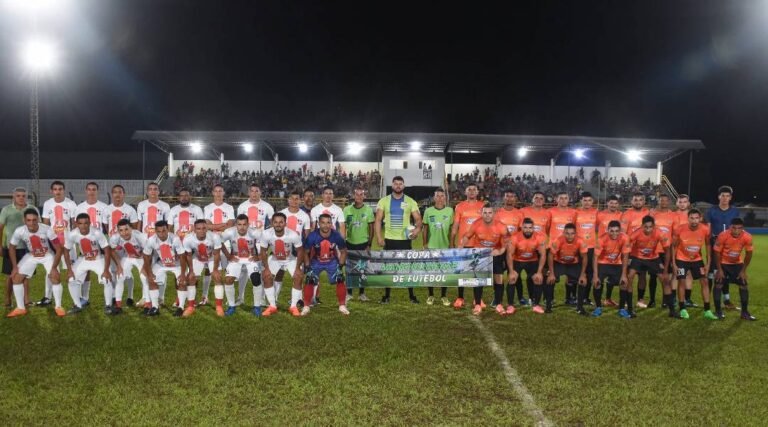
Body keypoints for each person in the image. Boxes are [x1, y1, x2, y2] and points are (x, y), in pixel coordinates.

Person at [6, 209, 65, 318]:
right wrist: (14, 267)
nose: (32, 223)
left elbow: (59, 248)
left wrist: (54, 267)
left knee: (55, 277)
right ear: (24, 220)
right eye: (29, 220)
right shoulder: (20, 231)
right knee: (16, 277)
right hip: (32, 255)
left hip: (47, 255)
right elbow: (11, 248)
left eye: (34, 220)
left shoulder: (47, 229)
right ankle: (20, 308)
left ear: (38, 219)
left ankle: (58, 307)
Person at [375, 176, 422, 304]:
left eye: (400, 184)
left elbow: (418, 219)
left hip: (405, 240)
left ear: (404, 186)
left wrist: (417, 230)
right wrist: (379, 237)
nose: (398, 186)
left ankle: (412, 296)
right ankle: (386, 296)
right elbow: (378, 220)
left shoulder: (410, 201)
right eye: (396, 183)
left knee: (407, 268)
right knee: (388, 268)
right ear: (392, 185)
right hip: (389, 240)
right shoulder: (384, 201)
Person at [460, 204, 508, 315]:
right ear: (481, 213)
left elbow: (506, 244)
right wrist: (461, 246)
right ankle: (477, 304)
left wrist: (499, 251)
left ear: (494, 214)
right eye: (485, 213)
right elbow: (467, 236)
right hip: (480, 255)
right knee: (479, 279)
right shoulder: (476, 224)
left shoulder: (501, 226)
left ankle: (499, 304)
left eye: (490, 213)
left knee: (499, 279)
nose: (487, 215)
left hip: (495, 254)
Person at [62, 213, 113, 315]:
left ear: (90, 223)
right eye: (80, 223)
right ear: (76, 224)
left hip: (98, 258)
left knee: (106, 279)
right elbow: (66, 250)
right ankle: (77, 305)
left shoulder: (97, 233)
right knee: (71, 279)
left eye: (86, 223)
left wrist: (106, 270)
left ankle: (108, 306)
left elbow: (107, 251)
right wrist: (69, 270)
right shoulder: (72, 234)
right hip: (84, 259)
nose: (83, 226)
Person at [671, 209, 717, 320]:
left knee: (705, 281)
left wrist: (708, 263)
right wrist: (674, 264)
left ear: (700, 218)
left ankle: (707, 310)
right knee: (681, 281)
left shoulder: (705, 229)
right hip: (681, 259)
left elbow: (708, 246)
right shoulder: (680, 229)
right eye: (692, 218)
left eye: (696, 218)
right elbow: (673, 246)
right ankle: (682, 308)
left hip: (697, 259)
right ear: (688, 218)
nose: (694, 220)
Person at [626, 216, 673, 319]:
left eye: (650, 227)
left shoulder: (660, 233)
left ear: (654, 227)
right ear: (642, 226)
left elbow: (667, 250)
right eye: (645, 227)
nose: (648, 229)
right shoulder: (636, 233)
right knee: (629, 277)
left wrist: (665, 269)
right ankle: (629, 308)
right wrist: (627, 261)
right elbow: (626, 246)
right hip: (637, 257)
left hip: (653, 258)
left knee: (665, 280)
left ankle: (672, 310)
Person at [302, 214, 349, 316]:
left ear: (331, 224)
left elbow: (344, 251)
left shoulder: (336, 235)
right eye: (323, 222)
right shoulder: (312, 236)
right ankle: (306, 306)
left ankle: (342, 305)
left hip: (331, 261)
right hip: (316, 260)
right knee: (309, 279)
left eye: (328, 222)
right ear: (319, 223)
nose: (326, 225)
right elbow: (305, 251)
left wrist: (340, 266)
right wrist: (307, 265)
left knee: (340, 278)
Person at [39, 180, 77, 307]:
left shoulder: (71, 204)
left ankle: (76, 300)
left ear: (63, 190)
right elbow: (45, 224)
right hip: (52, 243)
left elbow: (75, 223)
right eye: (55, 189)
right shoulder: (47, 204)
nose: (58, 191)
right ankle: (47, 297)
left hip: (68, 243)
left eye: (60, 189)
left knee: (72, 270)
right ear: (51, 191)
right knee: (51, 269)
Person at [259, 212, 305, 316]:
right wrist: (266, 268)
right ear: (272, 223)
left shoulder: (293, 234)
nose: (278, 224)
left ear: (285, 223)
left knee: (298, 276)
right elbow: (263, 251)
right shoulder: (266, 233)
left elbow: (300, 251)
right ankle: (272, 306)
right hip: (275, 258)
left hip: (289, 259)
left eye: (281, 222)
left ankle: (293, 306)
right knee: (266, 277)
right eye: (275, 222)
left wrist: (298, 268)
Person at [141, 220, 188, 317]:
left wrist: (183, 274)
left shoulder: (175, 239)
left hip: (176, 264)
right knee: (151, 280)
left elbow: (183, 256)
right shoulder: (151, 240)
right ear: (155, 231)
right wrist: (149, 273)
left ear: (168, 230)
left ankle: (181, 307)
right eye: (158, 231)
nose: (161, 234)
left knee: (182, 281)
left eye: (164, 231)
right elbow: (146, 256)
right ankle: (155, 307)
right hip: (162, 264)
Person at [704, 186, 740, 310]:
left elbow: (737, 229)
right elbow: (708, 230)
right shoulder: (711, 211)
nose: (725, 198)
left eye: (727, 196)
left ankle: (726, 300)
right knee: (711, 274)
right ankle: (707, 301)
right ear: (719, 197)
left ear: (730, 198)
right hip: (715, 244)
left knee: (724, 274)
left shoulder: (735, 211)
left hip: (729, 247)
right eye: (722, 195)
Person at [103, 184, 139, 306]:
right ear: (112, 194)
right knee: (114, 271)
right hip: (113, 245)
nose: (117, 194)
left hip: (127, 246)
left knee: (127, 272)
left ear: (124, 194)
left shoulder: (130, 210)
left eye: (120, 192)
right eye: (115, 192)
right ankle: (114, 296)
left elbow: (134, 228)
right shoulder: (107, 210)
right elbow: (106, 227)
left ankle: (130, 296)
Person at [0, 187, 37, 308]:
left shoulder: (32, 209)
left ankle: (26, 300)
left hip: (28, 248)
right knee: (11, 275)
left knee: (26, 275)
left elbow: (38, 227)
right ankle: (8, 299)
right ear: (13, 197)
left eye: (23, 196)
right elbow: (0, 228)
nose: (21, 198)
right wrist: (0, 245)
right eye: (18, 196)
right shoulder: (6, 210)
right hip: (10, 247)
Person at [310, 186, 346, 305]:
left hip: (333, 243)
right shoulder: (315, 209)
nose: (328, 195)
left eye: (331, 193)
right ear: (322, 195)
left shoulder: (338, 210)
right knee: (314, 270)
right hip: (318, 243)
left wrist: (342, 243)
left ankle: (341, 302)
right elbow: (313, 227)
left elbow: (341, 227)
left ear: (333, 195)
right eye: (326, 193)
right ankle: (314, 297)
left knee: (338, 271)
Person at [450, 183, 485, 308]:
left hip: (479, 244)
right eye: (469, 190)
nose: (471, 191)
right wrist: (452, 241)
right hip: (463, 245)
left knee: (478, 273)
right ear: (465, 192)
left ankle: (478, 299)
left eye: (474, 190)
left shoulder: (483, 206)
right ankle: (460, 297)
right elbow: (455, 226)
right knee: (462, 272)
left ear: (477, 192)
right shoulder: (459, 206)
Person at [713, 218, 755, 320]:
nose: (736, 231)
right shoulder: (722, 235)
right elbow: (716, 252)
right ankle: (718, 312)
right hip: (723, 263)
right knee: (718, 284)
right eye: (734, 228)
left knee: (744, 285)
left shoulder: (747, 237)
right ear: (730, 227)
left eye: (739, 228)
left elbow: (749, 254)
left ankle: (744, 313)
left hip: (737, 264)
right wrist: (719, 269)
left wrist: (743, 271)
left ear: (742, 228)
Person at [220, 214, 262, 316]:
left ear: (248, 225)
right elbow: (219, 242)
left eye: (244, 224)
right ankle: (231, 306)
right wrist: (228, 255)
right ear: (236, 225)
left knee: (256, 279)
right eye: (239, 224)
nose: (242, 227)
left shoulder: (255, 232)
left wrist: (259, 256)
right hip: (236, 259)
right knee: (228, 280)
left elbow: (267, 242)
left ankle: (257, 307)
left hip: (251, 258)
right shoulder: (229, 232)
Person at [202, 184, 235, 306]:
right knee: (209, 269)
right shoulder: (207, 208)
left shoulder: (229, 207)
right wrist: (221, 226)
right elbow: (207, 225)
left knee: (227, 270)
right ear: (212, 193)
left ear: (223, 193)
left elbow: (230, 224)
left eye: (220, 191)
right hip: (211, 242)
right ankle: (205, 296)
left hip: (226, 241)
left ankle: (227, 298)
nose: (218, 193)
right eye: (216, 191)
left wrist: (213, 227)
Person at [505, 218, 546, 314]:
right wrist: (511, 272)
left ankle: (536, 305)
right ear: (522, 228)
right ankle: (510, 305)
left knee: (538, 279)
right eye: (525, 227)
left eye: (530, 228)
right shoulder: (515, 237)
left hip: (532, 261)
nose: (528, 230)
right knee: (512, 279)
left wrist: (540, 272)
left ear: (533, 228)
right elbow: (509, 255)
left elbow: (543, 255)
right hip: (517, 261)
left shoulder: (540, 237)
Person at [182, 219, 222, 318]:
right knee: (191, 279)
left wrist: (215, 269)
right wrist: (191, 270)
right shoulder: (188, 238)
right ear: (194, 230)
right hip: (198, 258)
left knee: (217, 278)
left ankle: (219, 306)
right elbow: (188, 255)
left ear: (207, 228)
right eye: (198, 228)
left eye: (204, 228)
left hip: (211, 257)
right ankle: (190, 307)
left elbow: (217, 254)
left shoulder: (214, 237)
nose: (202, 231)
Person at [109, 219, 149, 315]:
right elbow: (112, 250)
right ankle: (118, 305)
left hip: (142, 257)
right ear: (118, 231)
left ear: (131, 228)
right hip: (128, 256)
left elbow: (148, 253)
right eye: (121, 230)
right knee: (120, 276)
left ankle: (148, 304)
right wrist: (119, 266)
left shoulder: (140, 237)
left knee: (144, 277)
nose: (124, 233)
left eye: (126, 229)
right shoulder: (115, 238)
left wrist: (144, 267)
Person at [591, 220, 630, 317]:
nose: (614, 233)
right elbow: (595, 257)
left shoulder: (625, 238)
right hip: (602, 263)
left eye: (617, 231)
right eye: (611, 231)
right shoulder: (601, 239)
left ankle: (621, 309)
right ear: (607, 230)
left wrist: (624, 274)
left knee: (624, 283)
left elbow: (625, 256)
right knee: (597, 283)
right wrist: (595, 276)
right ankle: (598, 307)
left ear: (620, 231)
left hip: (616, 264)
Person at [547, 223, 588, 314]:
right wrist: (552, 273)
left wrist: (583, 274)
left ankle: (580, 307)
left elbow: (584, 257)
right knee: (549, 280)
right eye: (567, 233)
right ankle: (548, 306)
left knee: (582, 281)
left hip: (573, 264)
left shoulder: (580, 241)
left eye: (572, 233)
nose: (570, 236)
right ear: (563, 233)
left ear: (575, 233)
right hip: (559, 263)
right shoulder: (558, 240)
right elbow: (550, 255)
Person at [423, 188, 454, 306]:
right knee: (431, 271)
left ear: (445, 198)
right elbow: (425, 228)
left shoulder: (450, 211)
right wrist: (424, 244)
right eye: (438, 196)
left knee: (444, 271)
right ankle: (430, 295)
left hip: (445, 246)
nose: (440, 198)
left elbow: (452, 230)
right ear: (434, 198)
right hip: (431, 246)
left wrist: (451, 243)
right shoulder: (428, 211)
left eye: (442, 196)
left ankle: (443, 296)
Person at [645, 194, 677, 308]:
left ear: (669, 202)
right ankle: (652, 300)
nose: (663, 202)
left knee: (666, 276)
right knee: (653, 276)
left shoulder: (673, 215)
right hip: (654, 250)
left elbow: (674, 234)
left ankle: (665, 300)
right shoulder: (652, 213)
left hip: (666, 250)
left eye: (665, 200)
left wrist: (670, 244)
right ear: (658, 201)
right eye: (661, 200)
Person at [493, 189, 524, 305]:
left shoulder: (519, 213)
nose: (509, 198)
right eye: (507, 196)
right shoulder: (497, 213)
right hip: (500, 248)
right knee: (498, 274)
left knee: (516, 274)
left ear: (515, 199)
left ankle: (520, 297)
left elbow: (521, 231)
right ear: (504, 198)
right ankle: (496, 298)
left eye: (512, 196)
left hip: (514, 249)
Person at [343, 187, 374, 302]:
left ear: (364, 196)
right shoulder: (346, 210)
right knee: (350, 269)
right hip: (350, 243)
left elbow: (371, 228)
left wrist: (369, 244)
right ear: (354, 196)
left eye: (361, 195)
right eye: (357, 194)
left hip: (363, 244)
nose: (359, 197)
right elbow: (343, 227)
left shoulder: (369, 210)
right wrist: (343, 243)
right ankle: (349, 293)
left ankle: (362, 293)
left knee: (362, 269)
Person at [548, 192, 577, 304]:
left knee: (571, 275)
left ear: (568, 200)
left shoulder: (573, 212)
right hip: (554, 248)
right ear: (557, 199)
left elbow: (574, 228)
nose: (563, 200)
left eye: (566, 198)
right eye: (561, 198)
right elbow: (547, 227)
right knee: (552, 275)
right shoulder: (550, 211)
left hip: (570, 248)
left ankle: (569, 298)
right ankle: (550, 299)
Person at [596, 195, 623, 307]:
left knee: (614, 278)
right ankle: (597, 302)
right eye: (611, 203)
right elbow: (594, 228)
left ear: (618, 204)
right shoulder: (600, 215)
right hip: (602, 249)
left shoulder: (621, 215)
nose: (613, 205)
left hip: (616, 250)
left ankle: (608, 299)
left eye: (615, 203)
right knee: (599, 278)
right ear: (607, 203)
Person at [575, 192, 598, 306]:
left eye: (589, 200)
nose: (587, 202)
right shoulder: (576, 213)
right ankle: (573, 297)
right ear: (581, 201)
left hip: (591, 248)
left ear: (592, 201)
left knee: (589, 273)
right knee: (575, 273)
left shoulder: (596, 212)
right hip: (578, 248)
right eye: (585, 200)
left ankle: (586, 298)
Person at [673, 194, 696, 308]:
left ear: (688, 203)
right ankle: (673, 299)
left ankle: (687, 299)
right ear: (677, 203)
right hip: (678, 249)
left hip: (691, 249)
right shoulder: (672, 215)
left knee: (689, 274)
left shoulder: (692, 216)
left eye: (684, 202)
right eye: (680, 202)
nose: (682, 204)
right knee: (676, 274)